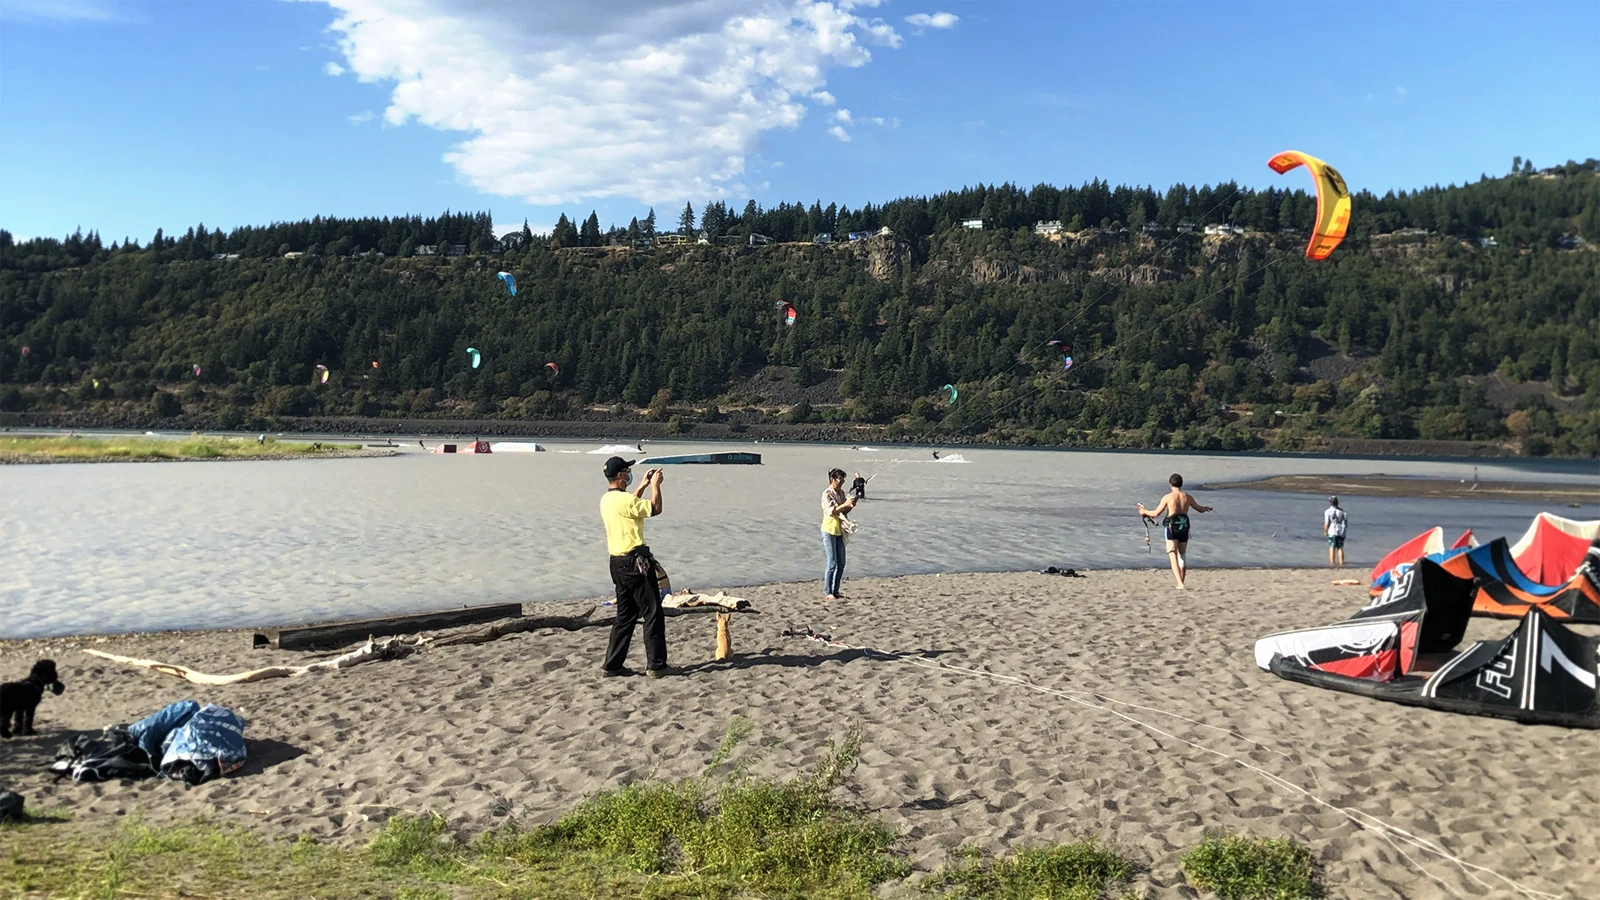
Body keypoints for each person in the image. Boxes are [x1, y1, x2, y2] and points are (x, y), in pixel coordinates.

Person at [599, 456, 671, 678]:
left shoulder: (607, 499)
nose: (629, 474)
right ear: (620, 476)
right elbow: (655, 508)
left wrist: (642, 484)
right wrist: (656, 487)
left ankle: (612, 664)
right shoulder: (625, 501)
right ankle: (656, 665)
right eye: (627, 471)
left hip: (617, 563)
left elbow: (630, 504)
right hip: (635, 563)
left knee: (625, 615)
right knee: (652, 612)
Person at [1137, 473, 1213, 590]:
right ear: (1181, 484)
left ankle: (1179, 583)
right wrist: (1206, 508)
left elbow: (1156, 513)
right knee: (1182, 555)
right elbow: (1199, 509)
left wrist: (1144, 512)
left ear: (1170, 484)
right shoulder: (1187, 497)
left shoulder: (1168, 497)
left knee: (1172, 555)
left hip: (1171, 528)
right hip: (1184, 527)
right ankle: (1181, 581)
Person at [821, 468, 857, 601]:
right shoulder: (827, 494)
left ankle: (835, 591)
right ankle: (828, 592)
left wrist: (851, 504)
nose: (841, 483)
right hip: (829, 530)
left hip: (839, 530)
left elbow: (844, 511)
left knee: (841, 563)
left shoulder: (841, 493)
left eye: (843, 480)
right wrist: (845, 504)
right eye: (839, 480)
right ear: (832, 480)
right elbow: (832, 511)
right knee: (832, 563)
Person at [1323, 496, 1348, 567]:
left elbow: (1327, 523)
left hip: (1332, 531)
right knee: (1340, 547)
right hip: (1341, 531)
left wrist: (1325, 531)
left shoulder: (1328, 511)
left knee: (1332, 546)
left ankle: (1332, 562)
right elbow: (1345, 523)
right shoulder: (1343, 512)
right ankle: (1341, 562)